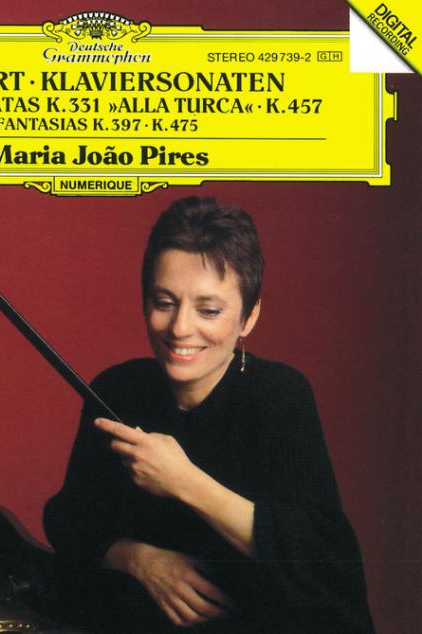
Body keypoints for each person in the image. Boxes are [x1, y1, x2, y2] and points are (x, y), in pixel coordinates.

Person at [43, 197, 375, 633]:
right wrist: (141, 560)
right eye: (164, 302)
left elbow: (323, 562)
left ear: (249, 317)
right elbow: (68, 519)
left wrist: (183, 481)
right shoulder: (117, 388)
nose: (180, 328)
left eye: (209, 310)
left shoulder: (280, 395)